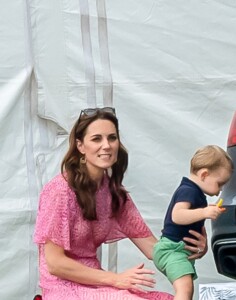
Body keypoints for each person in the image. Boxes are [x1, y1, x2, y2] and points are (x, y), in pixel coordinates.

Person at [34, 107, 207, 300]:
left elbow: (153, 249)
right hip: (62, 288)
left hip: (98, 285)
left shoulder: (114, 194)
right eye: (96, 139)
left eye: (112, 138)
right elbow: (55, 264)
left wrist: (185, 250)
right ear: (80, 146)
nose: (107, 145)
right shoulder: (60, 190)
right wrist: (116, 279)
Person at [153, 145, 234, 300]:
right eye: (219, 183)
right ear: (204, 174)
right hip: (172, 250)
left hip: (179, 251)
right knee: (185, 289)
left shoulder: (195, 193)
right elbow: (177, 215)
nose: (220, 190)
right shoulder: (188, 190)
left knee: (186, 289)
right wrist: (204, 212)